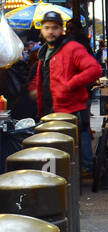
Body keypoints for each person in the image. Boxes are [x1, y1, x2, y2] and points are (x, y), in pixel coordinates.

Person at [28, 10, 103, 180]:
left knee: (74, 145)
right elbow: (45, 77)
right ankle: (60, 180)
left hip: (71, 109)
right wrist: (35, 89)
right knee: (56, 149)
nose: (50, 31)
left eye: (54, 27)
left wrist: (70, 84)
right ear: (41, 30)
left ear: (61, 29)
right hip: (49, 110)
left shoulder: (72, 48)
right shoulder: (45, 51)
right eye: (47, 28)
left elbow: (95, 69)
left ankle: (82, 172)